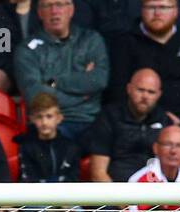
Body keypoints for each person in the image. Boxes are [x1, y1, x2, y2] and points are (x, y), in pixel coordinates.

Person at [15, 0, 110, 139]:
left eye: (60, 4)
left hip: (91, 121)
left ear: (71, 9)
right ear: (39, 13)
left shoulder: (91, 40)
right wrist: (81, 96)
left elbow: (99, 80)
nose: (54, 11)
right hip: (50, 124)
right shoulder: (27, 49)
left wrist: (53, 82)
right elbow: (34, 94)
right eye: (48, 6)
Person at [107, 0, 180, 118]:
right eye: (151, 7)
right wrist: (159, 118)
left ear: (176, 11)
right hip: (142, 120)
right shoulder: (123, 44)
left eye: (164, 7)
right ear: (141, 10)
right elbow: (117, 93)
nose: (157, 13)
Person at [85, 68, 170, 183]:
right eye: (140, 90)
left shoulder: (164, 120)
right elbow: (98, 173)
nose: (145, 96)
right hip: (118, 193)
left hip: (154, 194)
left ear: (159, 94)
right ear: (129, 88)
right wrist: (119, 200)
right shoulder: (109, 117)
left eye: (151, 92)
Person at [15, 92, 83, 182]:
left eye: (49, 116)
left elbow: (73, 181)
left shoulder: (71, 147)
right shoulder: (26, 148)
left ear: (59, 118)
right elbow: (28, 181)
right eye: (39, 117)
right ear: (32, 119)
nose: (44, 122)